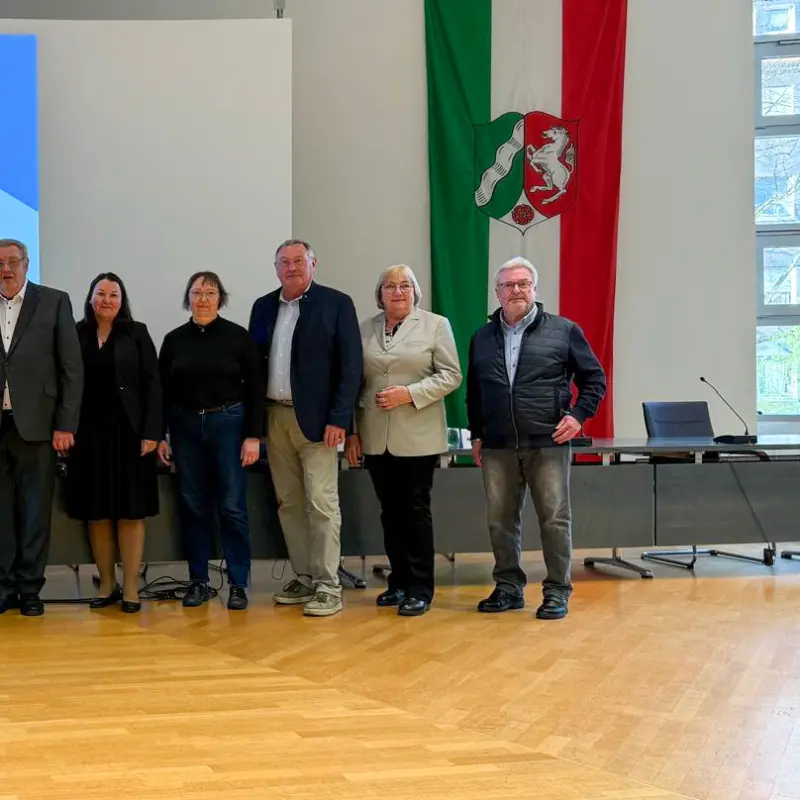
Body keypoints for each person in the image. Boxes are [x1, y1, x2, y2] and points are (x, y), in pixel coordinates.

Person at [466, 257, 606, 620]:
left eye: (523, 284)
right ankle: (509, 588)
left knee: (554, 519)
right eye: (509, 285)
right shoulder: (481, 337)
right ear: (497, 292)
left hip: (547, 441)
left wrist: (577, 417)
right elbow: (474, 393)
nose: (516, 291)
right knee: (499, 520)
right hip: (497, 443)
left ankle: (557, 591)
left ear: (534, 289)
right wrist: (478, 434)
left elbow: (595, 379)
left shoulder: (563, 331)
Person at [249, 239, 362, 617]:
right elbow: (253, 369)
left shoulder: (336, 304)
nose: (292, 267)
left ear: (314, 263)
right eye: (284, 262)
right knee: (289, 503)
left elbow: (350, 367)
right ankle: (305, 575)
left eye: (299, 261)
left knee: (322, 504)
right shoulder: (263, 307)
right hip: (275, 418)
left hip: (319, 422)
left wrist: (340, 419)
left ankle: (329, 584)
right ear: (275, 268)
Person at [344, 265, 461, 616]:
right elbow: (352, 382)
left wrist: (409, 393)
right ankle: (398, 582)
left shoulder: (435, 325)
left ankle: (420, 587)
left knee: (415, 511)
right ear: (379, 293)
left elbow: (451, 376)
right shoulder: (365, 328)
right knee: (390, 512)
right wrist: (353, 430)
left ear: (415, 291)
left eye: (405, 285)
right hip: (375, 436)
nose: (397, 292)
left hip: (417, 436)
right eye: (390, 286)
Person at [158, 272, 263, 611]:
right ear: (187, 298)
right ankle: (199, 581)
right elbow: (162, 391)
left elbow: (255, 390)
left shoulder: (237, 337)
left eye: (210, 292)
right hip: (186, 428)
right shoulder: (174, 340)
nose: (203, 298)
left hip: (228, 425)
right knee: (193, 506)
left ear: (221, 298)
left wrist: (253, 436)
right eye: (197, 292)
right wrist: (162, 434)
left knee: (232, 507)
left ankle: (238, 584)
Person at [65, 273, 160, 614]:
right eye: (100, 293)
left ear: (123, 300)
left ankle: (132, 587)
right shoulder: (75, 333)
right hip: (88, 435)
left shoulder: (137, 333)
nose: (106, 299)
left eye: (113, 294)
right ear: (90, 298)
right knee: (97, 512)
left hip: (131, 435)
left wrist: (152, 432)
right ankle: (107, 583)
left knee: (130, 511)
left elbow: (153, 384)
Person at [0, 238, 83, 616]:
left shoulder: (53, 301)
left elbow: (71, 367)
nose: (6, 269)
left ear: (27, 264)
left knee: (34, 512)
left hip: (39, 426)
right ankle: (4, 587)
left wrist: (66, 423)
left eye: (13, 261)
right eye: (0, 262)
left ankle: (30, 588)